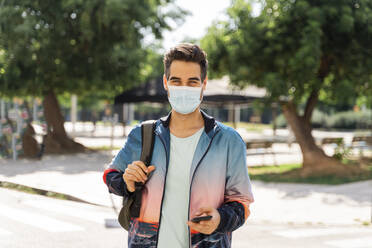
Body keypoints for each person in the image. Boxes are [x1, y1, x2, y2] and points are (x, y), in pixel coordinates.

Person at [103, 43, 254, 248]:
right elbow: (111, 176)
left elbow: (241, 205)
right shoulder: (142, 134)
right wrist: (127, 182)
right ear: (166, 83)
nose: (184, 88)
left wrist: (219, 219)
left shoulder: (229, 141)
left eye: (192, 82)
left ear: (204, 83)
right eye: (176, 81)